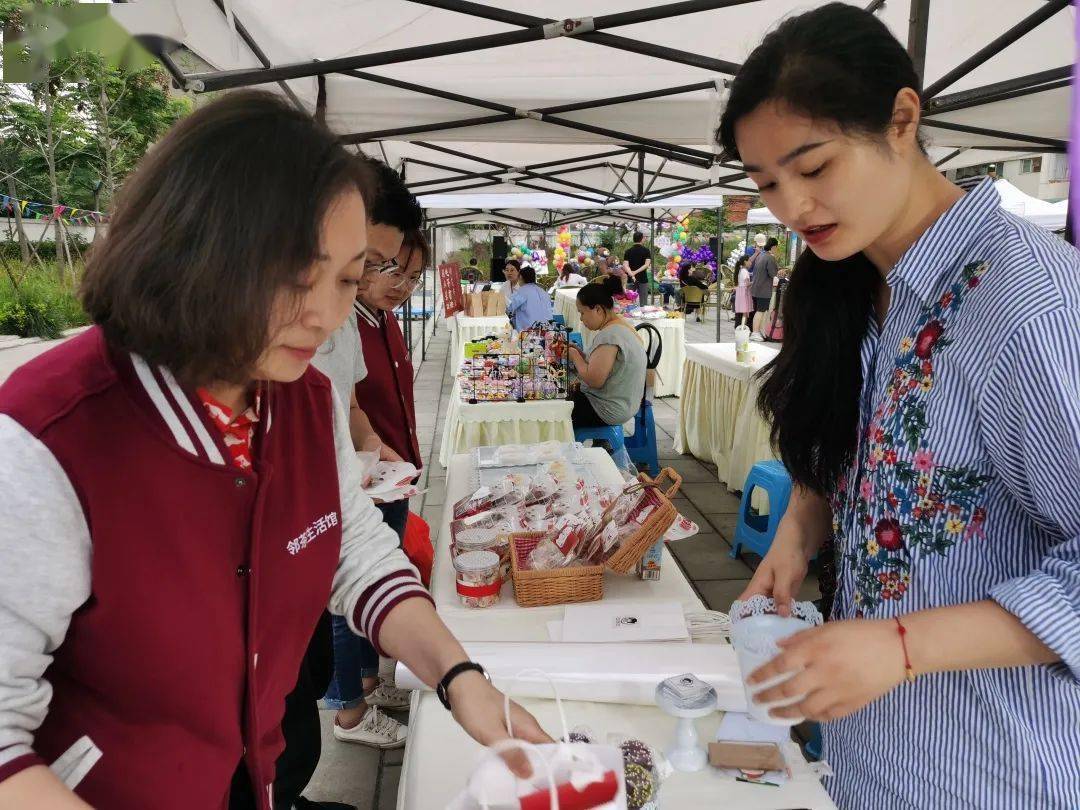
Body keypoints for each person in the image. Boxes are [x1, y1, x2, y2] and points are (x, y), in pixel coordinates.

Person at [0, 91, 550, 810]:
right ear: (198, 252)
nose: (325, 316)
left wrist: (459, 679)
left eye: (349, 279)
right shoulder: (48, 441)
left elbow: (352, 549)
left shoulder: (302, 397)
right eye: (297, 279)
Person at [717, 5, 1080, 809]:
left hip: (994, 772)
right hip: (870, 751)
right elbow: (878, 446)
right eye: (768, 183)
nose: (792, 206)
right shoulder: (857, 281)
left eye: (813, 168)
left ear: (902, 119)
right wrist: (801, 527)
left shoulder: (1028, 305)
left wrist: (904, 646)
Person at [323, 230, 429, 752]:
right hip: (353, 484)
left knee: (376, 573)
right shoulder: (342, 322)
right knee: (342, 602)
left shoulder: (371, 322)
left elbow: (357, 406)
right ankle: (349, 705)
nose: (403, 285)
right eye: (389, 270)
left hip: (381, 475)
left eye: (412, 276)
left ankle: (364, 680)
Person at [567, 277, 647, 428]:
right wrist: (581, 354)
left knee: (552, 406)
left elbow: (594, 380)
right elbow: (603, 366)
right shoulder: (620, 326)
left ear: (598, 309)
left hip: (606, 409)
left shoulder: (610, 335)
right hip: (623, 404)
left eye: (582, 313)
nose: (581, 319)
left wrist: (574, 355)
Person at [749, 236, 779, 340]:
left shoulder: (761, 255)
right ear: (773, 246)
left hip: (756, 288)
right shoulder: (770, 257)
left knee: (759, 311)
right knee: (760, 311)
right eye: (776, 247)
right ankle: (755, 332)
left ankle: (758, 331)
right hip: (764, 289)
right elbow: (773, 273)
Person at [506, 266, 554, 331]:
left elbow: (509, 308)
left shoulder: (522, 291)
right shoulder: (543, 291)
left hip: (528, 333)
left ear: (520, 277)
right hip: (547, 330)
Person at [622, 232, 652, 302]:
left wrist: (631, 273)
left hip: (630, 279)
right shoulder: (646, 251)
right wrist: (635, 272)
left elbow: (625, 265)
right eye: (644, 238)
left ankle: (629, 312)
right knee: (643, 301)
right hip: (642, 278)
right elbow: (646, 265)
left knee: (629, 300)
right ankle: (643, 312)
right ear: (641, 239)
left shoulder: (628, 251)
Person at [734, 253, 754, 328]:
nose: (751, 263)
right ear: (745, 262)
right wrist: (754, 282)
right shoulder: (745, 271)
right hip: (744, 293)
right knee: (745, 312)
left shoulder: (741, 270)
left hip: (740, 292)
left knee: (742, 311)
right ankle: (743, 327)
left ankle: (740, 326)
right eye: (749, 261)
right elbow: (747, 284)